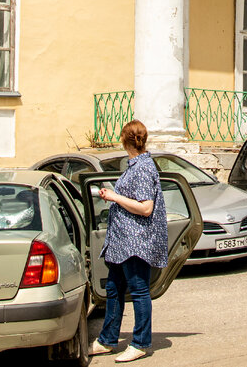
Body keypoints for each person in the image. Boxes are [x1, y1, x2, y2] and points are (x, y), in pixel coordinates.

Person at [91, 120, 167, 362]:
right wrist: (114, 197)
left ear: (125, 140)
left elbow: (146, 208)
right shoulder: (135, 165)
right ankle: (107, 340)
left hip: (137, 241)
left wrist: (114, 196)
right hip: (122, 242)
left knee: (139, 290)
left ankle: (141, 343)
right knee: (114, 288)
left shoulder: (144, 167)